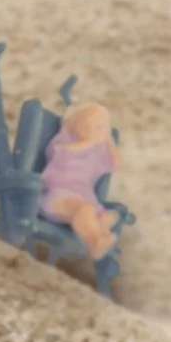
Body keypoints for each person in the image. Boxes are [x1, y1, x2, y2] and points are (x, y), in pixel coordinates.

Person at [39, 102, 122, 262]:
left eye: (103, 126)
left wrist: (108, 139)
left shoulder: (95, 156)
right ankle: (95, 243)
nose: (99, 129)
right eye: (94, 125)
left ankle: (99, 234)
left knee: (100, 214)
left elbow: (115, 163)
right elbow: (65, 153)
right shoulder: (63, 144)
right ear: (74, 125)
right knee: (84, 210)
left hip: (84, 198)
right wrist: (91, 142)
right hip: (58, 196)